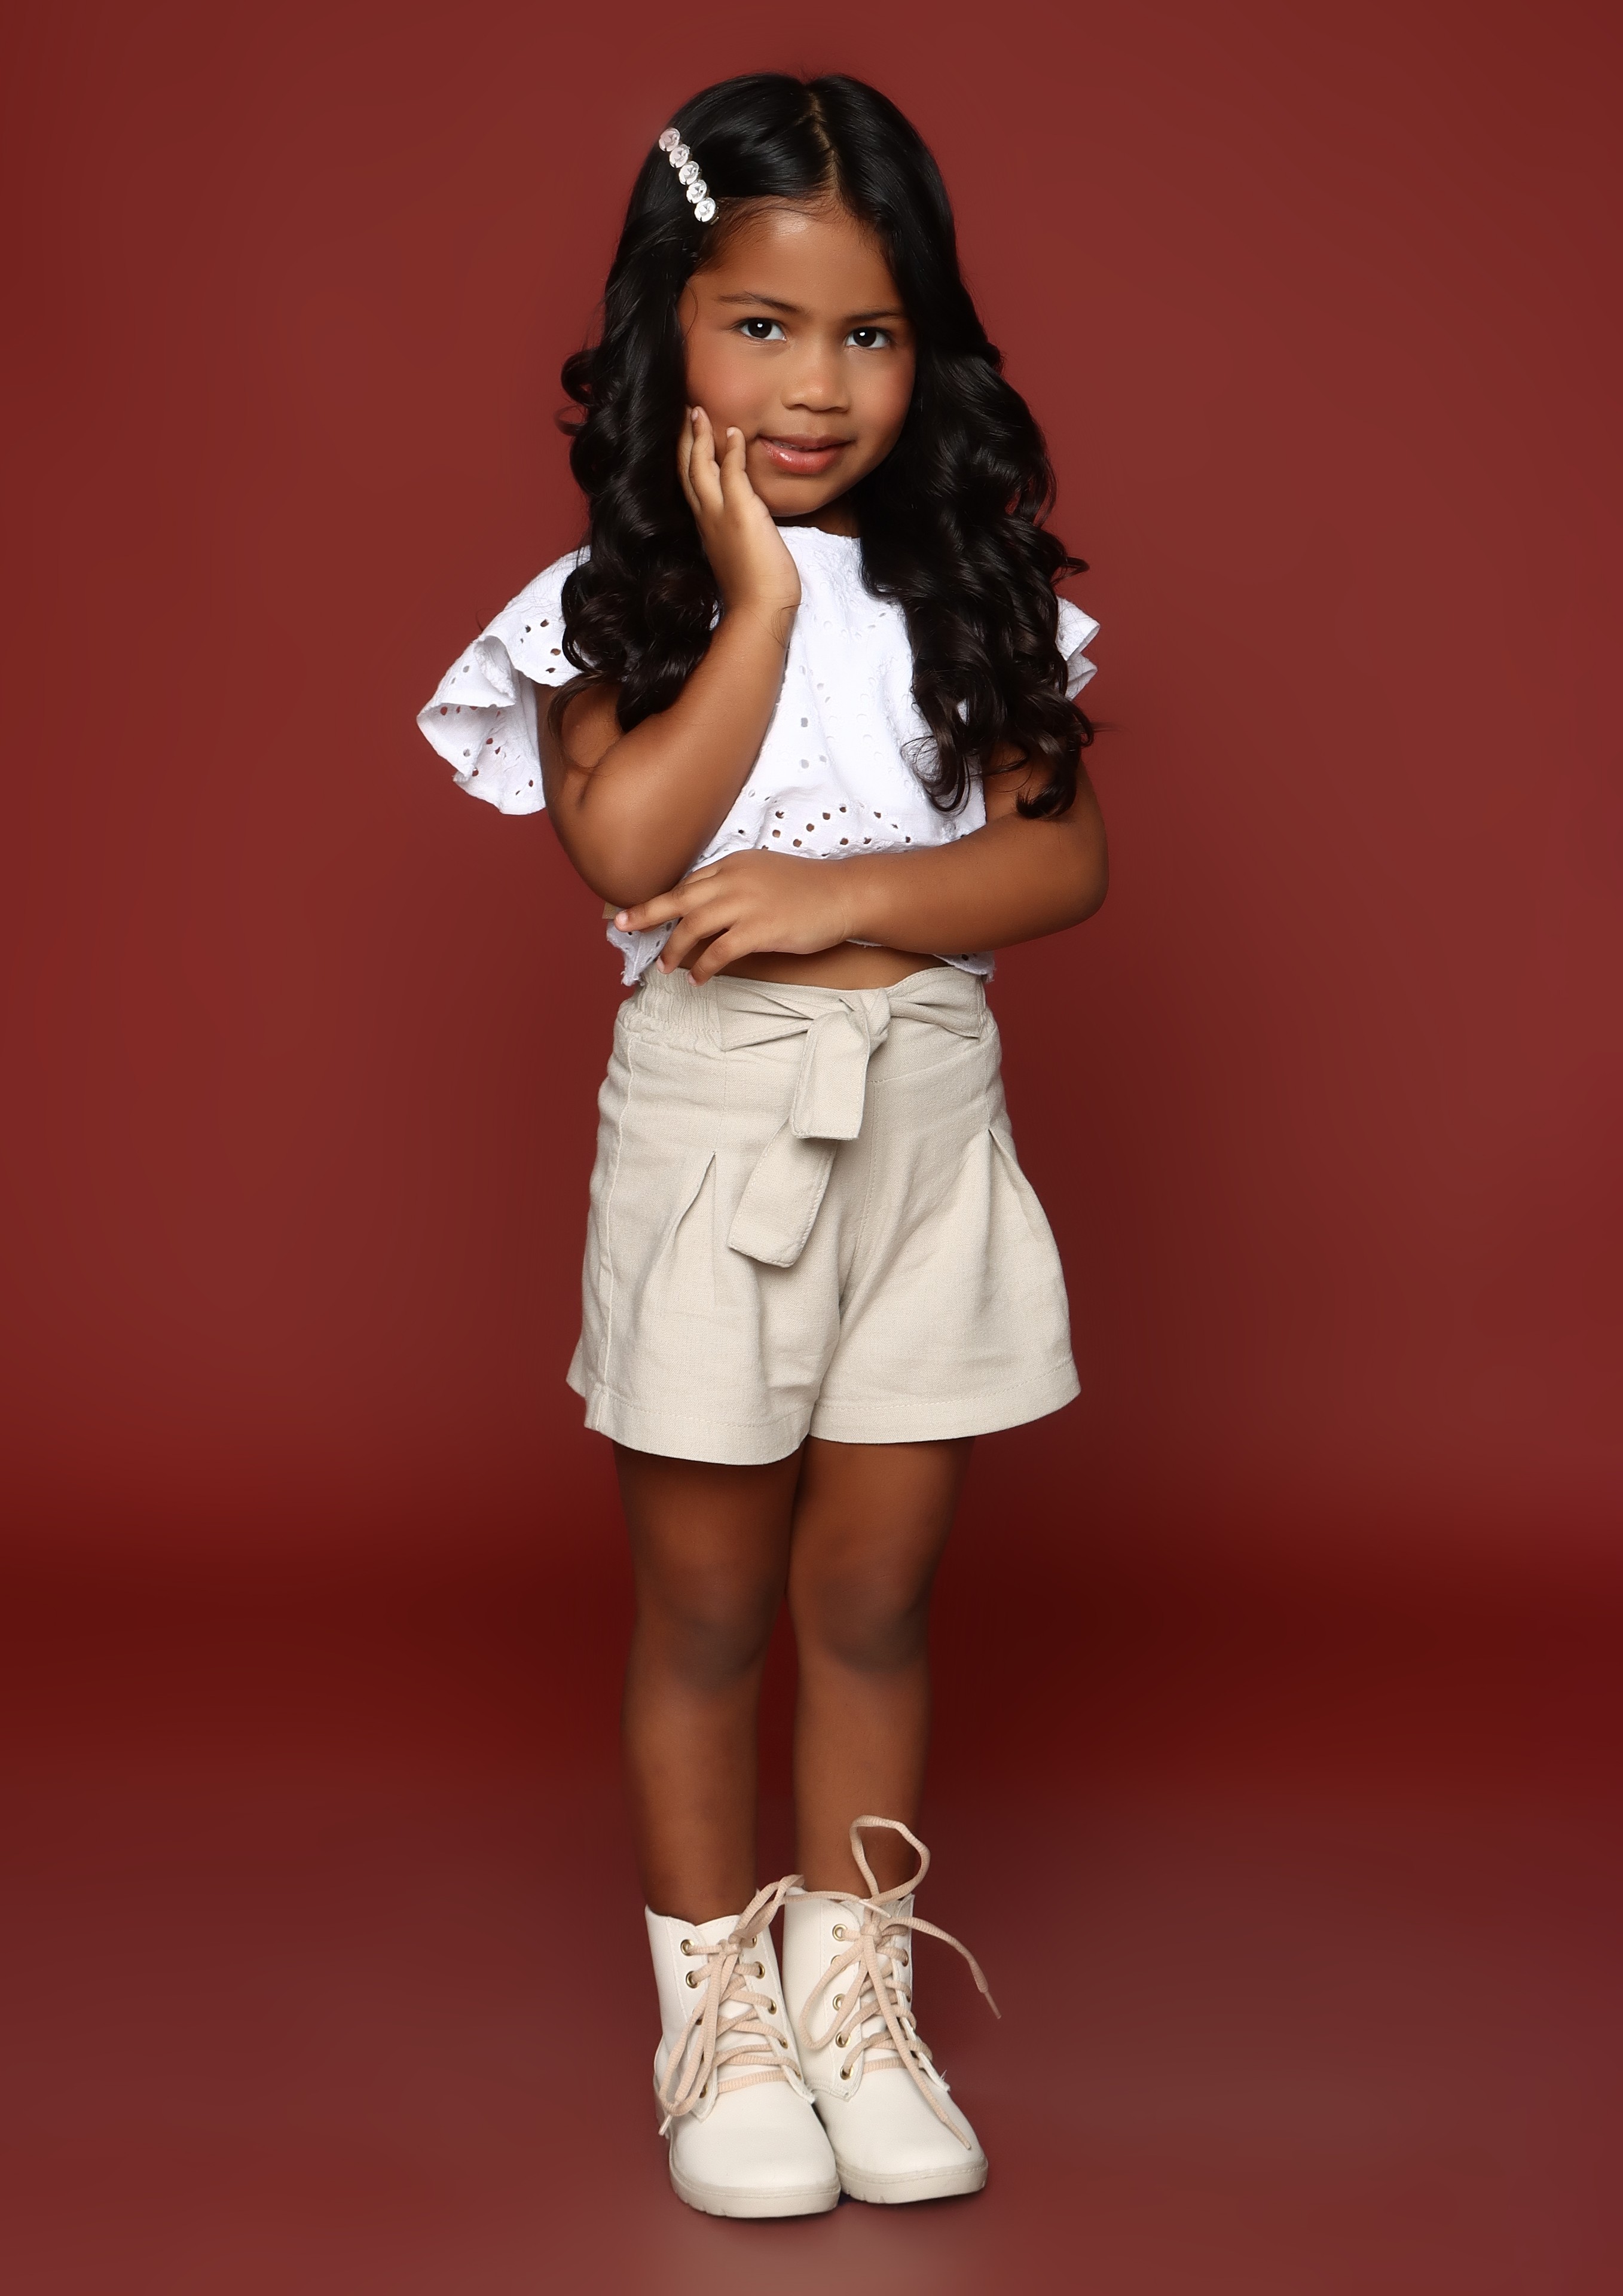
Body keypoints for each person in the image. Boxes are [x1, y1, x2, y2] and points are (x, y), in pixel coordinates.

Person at [418, 71, 1105, 2219]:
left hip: (929, 1114)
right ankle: (712, 2013)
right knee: (712, 1600)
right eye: (763, 326)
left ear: (926, 346)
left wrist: (843, 895)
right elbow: (627, 847)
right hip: (722, 1130)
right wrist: (766, 610)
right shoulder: (609, 601)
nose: (816, 386)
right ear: (670, 327)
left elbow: (1059, 861)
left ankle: (855, 1995)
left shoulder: (970, 580)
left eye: (869, 334)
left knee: (874, 1592)